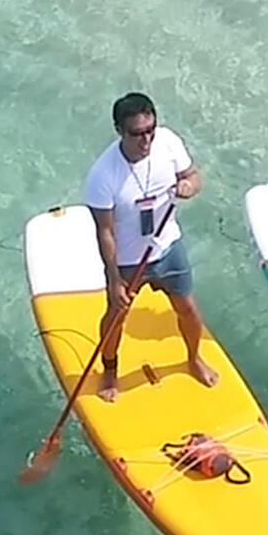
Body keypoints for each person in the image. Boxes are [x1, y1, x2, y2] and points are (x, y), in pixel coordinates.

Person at [85, 92, 218, 401]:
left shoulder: (168, 143)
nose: (146, 140)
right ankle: (109, 368)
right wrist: (114, 280)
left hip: (168, 246)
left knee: (187, 308)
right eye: (137, 133)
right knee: (116, 316)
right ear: (119, 130)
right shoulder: (103, 175)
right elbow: (105, 232)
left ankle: (194, 357)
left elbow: (193, 176)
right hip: (129, 260)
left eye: (150, 130)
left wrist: (190, 187)